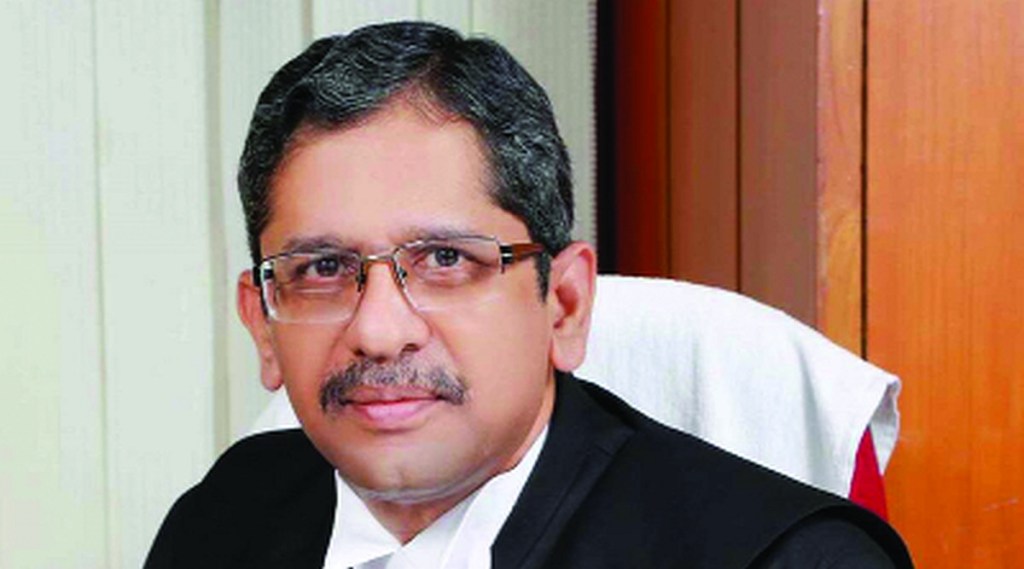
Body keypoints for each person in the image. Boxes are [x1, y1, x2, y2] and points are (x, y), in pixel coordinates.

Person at [145, 21, 912, 569]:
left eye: (445, 258)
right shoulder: (221, 520)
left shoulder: (796, 559)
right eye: (322, 267)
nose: (378, 330)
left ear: (564, 305)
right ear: (263, 325)